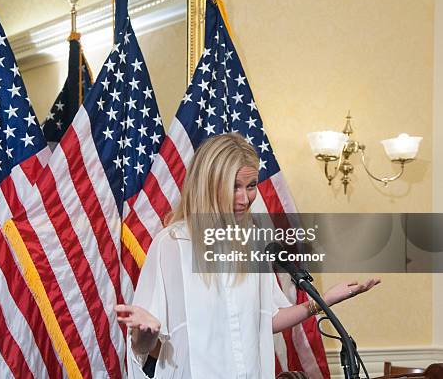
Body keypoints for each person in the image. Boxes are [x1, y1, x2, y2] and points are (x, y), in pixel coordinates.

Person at [114, 133, 380, 379]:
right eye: (234, 187)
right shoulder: (173, 244)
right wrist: (145, 333)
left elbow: (267, 319)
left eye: (251, 185)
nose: (245, 198)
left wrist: (323, 301)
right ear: (208, 185)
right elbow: (143, 346)